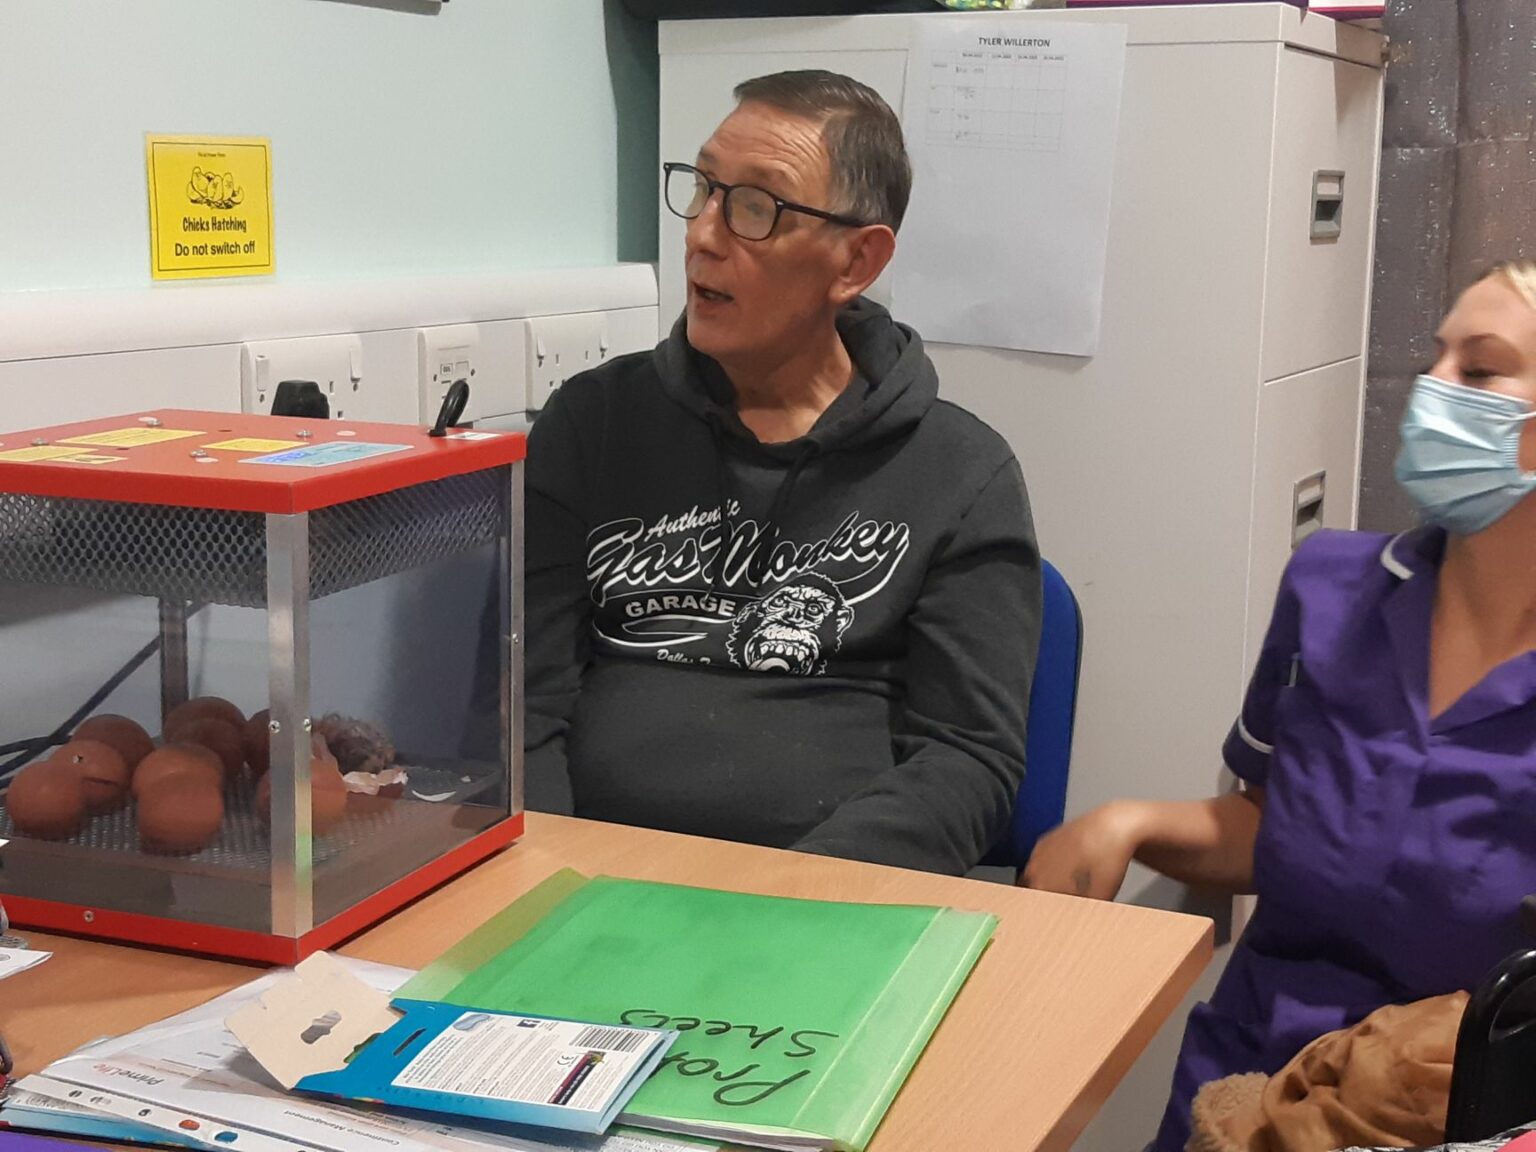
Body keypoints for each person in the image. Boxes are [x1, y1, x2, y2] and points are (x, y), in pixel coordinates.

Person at [1021, 260, 1536, 1150]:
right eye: (1435, 358)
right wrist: (1128, 821)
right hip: (1244, 1085)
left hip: (1448, 1114)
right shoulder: (1332, 585)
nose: (1433, 388)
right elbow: (1277, 829)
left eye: (1481, 369)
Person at [520, 70, 1041, 875]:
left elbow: (968, 760)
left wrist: (791, 894)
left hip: (831, 900)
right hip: (592, 887)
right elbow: (522, 702)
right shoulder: (591, 424)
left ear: (856, 261)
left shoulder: (961, 474)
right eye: (704, 189)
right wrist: (550, 878)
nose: (703, 234)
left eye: (756, 207)